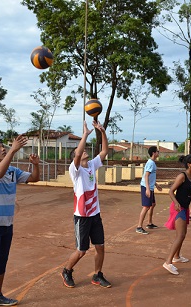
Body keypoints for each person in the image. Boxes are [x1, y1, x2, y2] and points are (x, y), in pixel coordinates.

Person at [0, 135, 40, 307]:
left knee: (1, 262)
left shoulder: (13, 171)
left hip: (6, 224)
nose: (2, 148)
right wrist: (13, 150)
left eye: (3, 146)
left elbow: (34, 178)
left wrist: (35, 165)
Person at [61, 120, 111, 288]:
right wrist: (85, 135)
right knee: (82, 250)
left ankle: (97, 275)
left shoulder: (91, 165)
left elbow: (104, 150)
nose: (84, 152)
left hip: (95, 214)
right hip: (82, 217)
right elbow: (77, 154)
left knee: (100, 246)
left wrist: (102, 131)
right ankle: (67, 270)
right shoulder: (75, 170)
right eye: (80, 152)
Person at [163, 154, 191, 275]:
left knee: (183, 234)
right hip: (178, 208)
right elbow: (171, 191)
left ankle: (177, 256)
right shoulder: (182, 176)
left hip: (185, 208)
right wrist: (176, 203)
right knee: (180, 235)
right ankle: (168, 262)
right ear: (189, 164)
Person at [136, 146, 163, 234]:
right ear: (154, 153)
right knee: (146, 207)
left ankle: (149, 223)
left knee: (153, 204)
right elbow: (146, 175)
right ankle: (139, 227)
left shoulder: (152, 163)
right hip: (146, 187)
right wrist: (147, 189)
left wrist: (156, 184)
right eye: (157, 151)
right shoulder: (151, 163)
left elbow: (151, 176)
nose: (158, 153)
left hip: (150, 187)